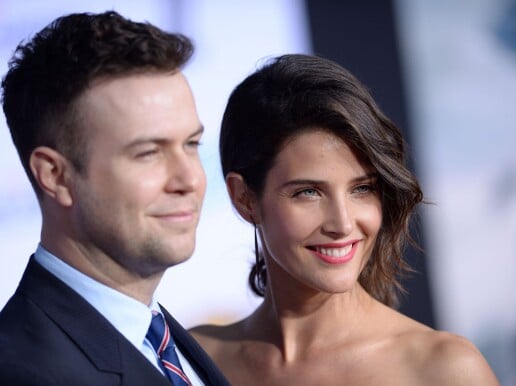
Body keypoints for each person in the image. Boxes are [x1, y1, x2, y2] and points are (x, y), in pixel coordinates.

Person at [190, 54, 499, 385]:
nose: (343, 223)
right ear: (244, 198)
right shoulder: (193, 360)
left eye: (362, 188)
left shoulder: (443, 368)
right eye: (309, 192)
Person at [0, 11, 230, 386]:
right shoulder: (18, 374)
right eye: (148, 152)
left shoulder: (160, 334)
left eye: (191, 144)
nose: (191, 179)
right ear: (56, 176)